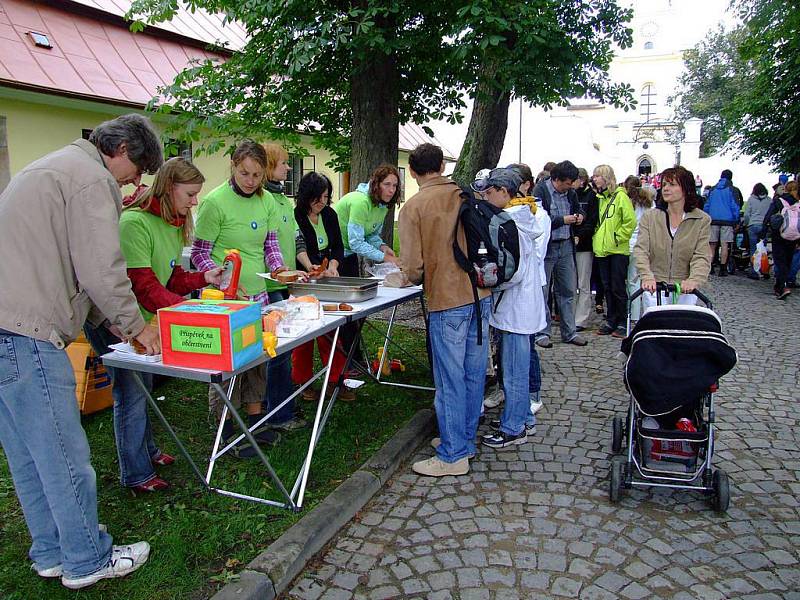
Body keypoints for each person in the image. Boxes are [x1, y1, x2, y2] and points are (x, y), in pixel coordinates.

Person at [0, 114, 162, 588]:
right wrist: (137, 327)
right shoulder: (91, 179)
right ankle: (88, 558)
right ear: (123, 152)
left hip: (6, 328)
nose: (133, 185)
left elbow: (70, 268)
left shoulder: (52, 166)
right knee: (63, 452)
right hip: (30, 333)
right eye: (136, 173)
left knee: (29, 455)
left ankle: (53, 550)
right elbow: (100, 267)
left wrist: (109, 321)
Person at [84, 158, 223, 492]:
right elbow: (144, 287)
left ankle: (148, 451)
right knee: (131, 393)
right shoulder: (135, 223)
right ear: (168, 187)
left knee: (144, 389)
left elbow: (170, 276)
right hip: (114, 322)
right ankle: (136, 474)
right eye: (189, 194)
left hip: (143, 320)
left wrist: (203, 278)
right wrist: (193, 309)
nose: (194, 202)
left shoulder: (173, 222)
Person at [398, 144, 490, 477]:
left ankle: (453, 456)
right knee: (472, 373)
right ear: (441, 165)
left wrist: (403, 275)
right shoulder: (463, 194)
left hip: (447, 300)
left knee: (449, 379)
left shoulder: (414, 207)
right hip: (480, 295)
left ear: (411, 171)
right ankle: (463, 441)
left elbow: (412, 268)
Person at [191, 141, 285, 459]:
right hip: (223, 298)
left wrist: (280, 269)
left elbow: (270, 246)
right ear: (233, 166)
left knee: (256, 357)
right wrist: (216, 275)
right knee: (227, 362)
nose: (250, 180)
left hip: (256, 295)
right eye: (244, 173)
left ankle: (257, 419)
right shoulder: (215, 202)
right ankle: (226, 429)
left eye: (257, 175)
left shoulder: (267, 200)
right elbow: (200, 253)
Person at [474, 169, 546, 448]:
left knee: (514, 370)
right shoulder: (522, 216)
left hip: (516, 309)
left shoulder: (511, 222)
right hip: (521, 307)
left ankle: (513, 427)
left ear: (505, 192)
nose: (486, 197)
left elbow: (511, 272)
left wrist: (490, 284)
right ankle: (523, 416)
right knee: (517, 366)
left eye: (490, 192)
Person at [291, 172, 354, 402]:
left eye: (326, 197)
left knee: (330, 329)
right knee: (304, 332)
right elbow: (297, 247)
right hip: (304, 277)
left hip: (326, 276)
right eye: (317, 198)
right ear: (306, 197)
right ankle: (302, 382)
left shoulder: (329, 214)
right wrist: (310, 267)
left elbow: (338, 246)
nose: (321, 203)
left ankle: (336, 379)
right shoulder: (296, 215)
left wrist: (334, 266)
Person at [335, 164, 402, 364]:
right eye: (387, 184)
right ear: (376, 184)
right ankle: (347, 358)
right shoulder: (360, 202)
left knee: (356, 308)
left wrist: (382, 247)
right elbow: (355, 241)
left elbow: (371, 234)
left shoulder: (382, 206)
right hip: (334, 256)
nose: (391, 190)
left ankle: (352, 356)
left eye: (395, 185)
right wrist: (385, 258)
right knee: (345, 309)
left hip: (348, 255)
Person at [633, 166, 711, 308]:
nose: (666, 188)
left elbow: (702, 255)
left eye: (672, 184)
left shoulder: (701, 220)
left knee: (681, 327)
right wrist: (646, 275)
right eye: (664, 185)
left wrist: (694, 280)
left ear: (686, 188)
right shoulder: (650, 217)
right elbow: (641, 250)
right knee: (656, 327)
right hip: (655, 287)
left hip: (685, 287)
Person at [507, 164, 550, 418]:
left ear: (525, 185)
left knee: (526, 347)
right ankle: (510, 393)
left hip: (528, 288)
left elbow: (534, 254)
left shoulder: (538, 215)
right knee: (511, 350)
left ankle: (533, 394)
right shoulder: (512, 212)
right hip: (514, 293)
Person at [532, 160, 588, 347]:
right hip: (547, 248)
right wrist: (562, 220)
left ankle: (569, 332)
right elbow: (539, 218)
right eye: (567, 183)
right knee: (543, 291)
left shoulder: (570, 193)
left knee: (567, 290)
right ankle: (542, 332)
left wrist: (580, 216)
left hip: (565, 245)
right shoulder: (541, 191)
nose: (570, 186)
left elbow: (578, 209)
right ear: (557, 179)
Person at [592, 165, 636, 338]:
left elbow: (630, 222)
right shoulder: (601, 198)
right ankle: (611, 319)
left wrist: (617, 237)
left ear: (606, 177)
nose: (594, 179)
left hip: (617, 250)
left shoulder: (620, 197)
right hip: (603, 250)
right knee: (607, 286)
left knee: (618, 287)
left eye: (597, 176)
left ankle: (623, 320)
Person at [760, 180, 800, 300]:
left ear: (786, 189)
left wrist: (763, 235)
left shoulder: (779, 201)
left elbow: (768, 217)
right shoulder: (798, 202)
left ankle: (781, 287)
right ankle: (781, 285)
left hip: (779, 235)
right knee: (787, 261)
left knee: (780, 261)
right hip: (794, 236)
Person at [624, 176, 654, 322]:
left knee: (632, 281)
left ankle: (634, 315)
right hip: (646, 245)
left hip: (631, 245)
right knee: (644, 280)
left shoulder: (628, 202)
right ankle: (647, 313)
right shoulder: (650, 204)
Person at [573, 168, 599, 330]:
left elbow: (592, 221)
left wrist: (580, 236)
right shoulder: (570, 195)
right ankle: (570, 316)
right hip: (570, 244)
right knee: (571, 284)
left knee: (583, 284)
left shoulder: (591, 197)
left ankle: (581, 319)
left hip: (584, 245)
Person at [704, 170, 741, 276]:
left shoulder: (713, 189)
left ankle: (710, 268)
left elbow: (707, 205)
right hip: (727, 221)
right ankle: (723, 269)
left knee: (712, 245)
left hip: (713, 219)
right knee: (725, 244)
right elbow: (735, 206)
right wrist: (736, 218)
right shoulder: (732, 190)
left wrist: (707, 217)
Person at [743, 183, 772, 257]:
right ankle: (763, 265)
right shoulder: (769, 200)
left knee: (753, 248)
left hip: (752, 225)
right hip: (764, 226)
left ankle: (754, 267)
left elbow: (746, 215)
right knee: (762, 248)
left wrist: (746, 224)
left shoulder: (751, 199)